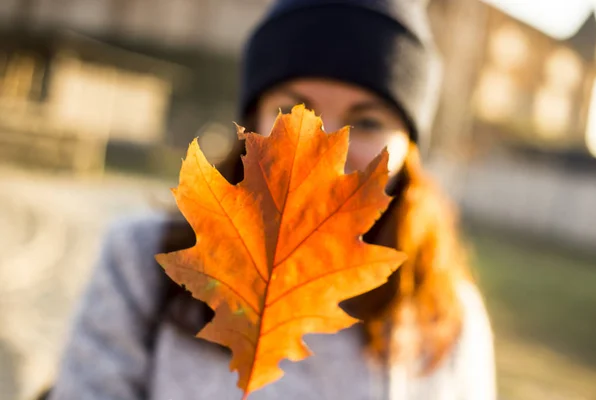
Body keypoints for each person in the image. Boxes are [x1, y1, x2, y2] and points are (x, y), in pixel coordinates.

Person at [47, 0, 496, 399]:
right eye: (294, 111)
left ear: (409, 147)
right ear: (253, 121)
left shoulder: (447, 317)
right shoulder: (142, 261)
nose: (324, 146)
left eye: (368, 122)